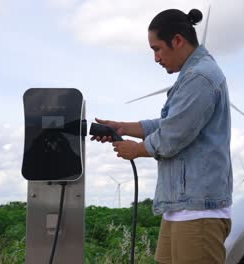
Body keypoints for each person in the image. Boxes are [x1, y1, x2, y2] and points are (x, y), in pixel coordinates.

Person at [92, 8, 233, 264]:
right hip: (181, 208)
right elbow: (171, 123)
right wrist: (123, 127)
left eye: (157, 49)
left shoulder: (200, 77)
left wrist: (136, 149)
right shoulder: (192, 76)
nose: (156, 58)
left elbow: (172, 136)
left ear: (177, 40)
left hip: (198, 213)